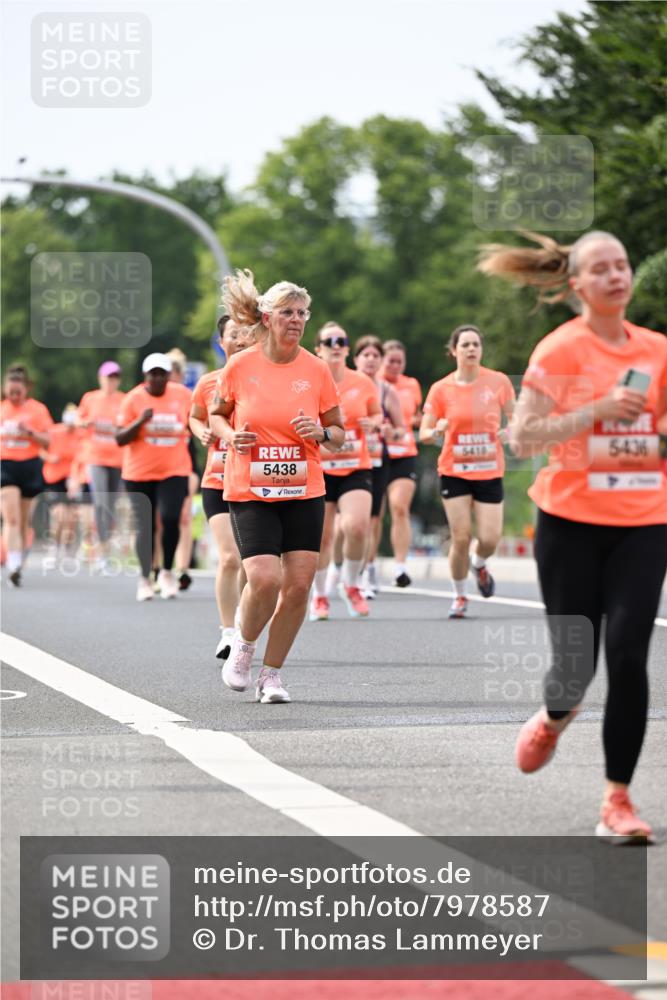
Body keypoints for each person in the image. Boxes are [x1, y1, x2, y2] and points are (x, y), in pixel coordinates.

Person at [479, 230, 667, 842]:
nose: (616, 276)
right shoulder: (560, 350)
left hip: (644, 522)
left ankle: (618, 799)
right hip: (571, 525)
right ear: (577, 284)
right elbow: (523, 439)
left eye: (623, 265)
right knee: (574, 667)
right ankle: (555, 718)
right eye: (602, 269)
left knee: (630, 654)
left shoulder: (658, 350)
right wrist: (595, 412)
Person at [209, 270, 344, 704]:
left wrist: (321, 433)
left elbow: (339, 432)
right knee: (264, 579)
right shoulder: (240, 365)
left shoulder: (317, 369)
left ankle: (272, 675)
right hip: (251, 487)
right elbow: (217, 415)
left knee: (300, 585)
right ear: (267, 318)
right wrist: (230, 436)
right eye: (288, 312)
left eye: (302, 313)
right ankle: (244, 646)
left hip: (304, 488)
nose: (297, 320)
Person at [419, 325, 515, 618]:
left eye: (476, 344)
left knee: (490, 538)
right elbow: (424, 433)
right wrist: (437, 430)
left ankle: (479, 563)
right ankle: (460, 596)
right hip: (454, 471)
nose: (471, 349)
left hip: (489, 470)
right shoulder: (441, 389)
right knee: (460, 537)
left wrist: (510, 431)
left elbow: (516, 418)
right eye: (465, 345)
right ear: (454, 351)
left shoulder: (498, 381)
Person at [189, 315, 255, 659]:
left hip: (253, 482)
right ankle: (228, 632)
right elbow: (195, 415)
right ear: (221, 343)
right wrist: (200, 430)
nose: (240, 339)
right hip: (217, 479)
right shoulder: (208, 382)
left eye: (246, 333)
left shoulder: (262, 379)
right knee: (229, 557)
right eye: (233, 334)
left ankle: (244, 620)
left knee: (249, 561)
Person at [308, 323, 381, 621]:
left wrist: (374, 423)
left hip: (355, 467)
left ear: (348, 348)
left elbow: (377, 413)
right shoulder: (309, 382)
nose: (336, 346)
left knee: (358, 527)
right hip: (320, 469)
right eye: (329, 341)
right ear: (319, 349)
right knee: (322, 538)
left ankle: (351, 585)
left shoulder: (362, 382)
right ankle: (320, 595)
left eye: (341, 341)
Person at [116, 353, 192, 602]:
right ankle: (145, 577)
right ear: (145, 376)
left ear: (169, 376)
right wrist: (140, 420)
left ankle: (167, 572)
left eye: (162, 374)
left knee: (170, 518)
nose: (157, 379)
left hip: (174, 469)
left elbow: (196, 421)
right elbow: (119, 438)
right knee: (146, 525)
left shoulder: (182, 395)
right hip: (139, 472)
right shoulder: (133, 399)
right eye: (153, 374)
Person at [352, 335, 405, 599]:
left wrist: (389, 431)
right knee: (344, 522)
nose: (371, 360)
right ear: (356, 359)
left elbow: (401, 431)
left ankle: (367, 569)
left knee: (372, 519)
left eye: (376, 356)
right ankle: (343, 567)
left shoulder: (386, 391)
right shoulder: (344, 386)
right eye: (366, 355)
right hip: (346, 461)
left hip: (375, 460)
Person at [1, 366, 52, 587]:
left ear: (26, 389)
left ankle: (18, 562)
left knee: (23, 520)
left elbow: (49, 442)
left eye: (18, 392)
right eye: (10, 392)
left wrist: (29, 431)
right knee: (11, 517)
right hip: (5, 465)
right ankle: (12, 564)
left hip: (30, 466)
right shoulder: (2, 409)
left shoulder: (37, 410)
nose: (14, 396)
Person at [380, 341, 422, 587]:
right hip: (376, 454)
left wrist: (419, 421)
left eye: (400, 362)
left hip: (404, 452)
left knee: (400, 507)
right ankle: (367, 566)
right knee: (374, 514)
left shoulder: (411, 385)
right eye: (391, 361)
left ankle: (400, 566)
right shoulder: (372, 383)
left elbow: (414, 416)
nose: (395, 366)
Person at [78, 361, 125, 571]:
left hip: (117, 459)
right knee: (101, 503)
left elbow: (129, 426)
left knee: (111, 506)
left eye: (115, 377)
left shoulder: (123, 400)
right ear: (100, 379)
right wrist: (85, 423)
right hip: (95, 458)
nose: (111, 381)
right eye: (108, 377)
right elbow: (78, 420)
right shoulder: (90, 398)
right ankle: (102, 553)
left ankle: (104, 549)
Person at [166, 348, 199, 590]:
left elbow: (198, 426)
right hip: (159, 465)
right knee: (161, 520)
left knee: (184, 516)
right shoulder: (151, 396)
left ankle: (182, 569)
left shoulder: (188, 397)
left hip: (186, 462)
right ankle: (160, 568)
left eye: (174, 372)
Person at [40, 403, 82, 565]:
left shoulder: (80, 434)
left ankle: (67, 548)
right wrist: (50, 458)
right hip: (54, 478)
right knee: (59, 515)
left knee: (71, 517)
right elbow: (39, 449)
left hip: (73, 479)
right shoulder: (54, 432)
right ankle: (54, 547)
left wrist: (76, 477)